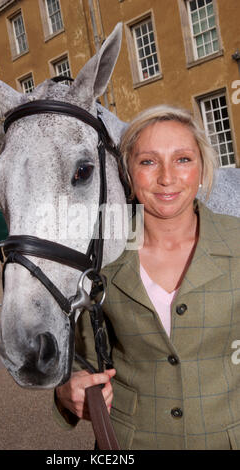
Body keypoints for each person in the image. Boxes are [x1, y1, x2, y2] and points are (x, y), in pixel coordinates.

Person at [53, 105, 240, 450]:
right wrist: (68, 390)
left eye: (183, 159)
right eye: (148, 161)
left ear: (201, 168)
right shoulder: (101, 257)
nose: (167, 178)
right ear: (128, 172)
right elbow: (82, 362)